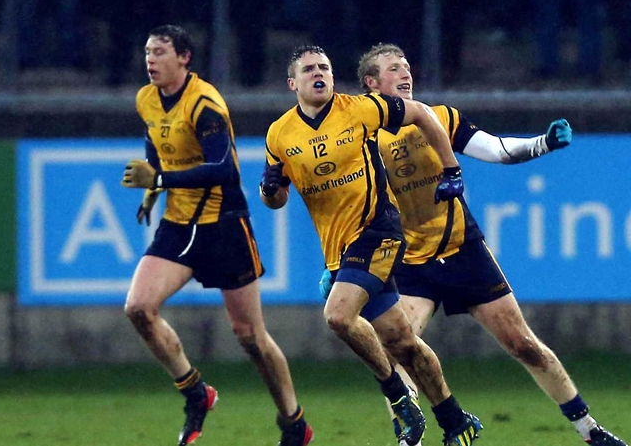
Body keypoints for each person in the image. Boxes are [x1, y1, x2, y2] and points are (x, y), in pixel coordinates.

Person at [319, 42, 627, 446]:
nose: (405, 72)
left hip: (463, 250)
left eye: (406, 65)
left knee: (523, 344)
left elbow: (496, 149)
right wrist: (337, 262)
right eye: (393, 68)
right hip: (407, 262)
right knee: (400, 350)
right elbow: (342, 205)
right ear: (371, 83)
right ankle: (410, 438)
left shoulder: (439, 117)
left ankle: (590, 431)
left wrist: (543, 143)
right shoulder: (359, 138)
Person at [261, 44, 481, 446]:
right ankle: (454, 419)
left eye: (324, 66)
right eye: (309, 69)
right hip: (338, 249)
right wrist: (270, 190)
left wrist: (452, 168)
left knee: (338, 316)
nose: (318, 73)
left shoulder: (362, 109)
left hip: (378, 230)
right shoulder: (279, 134)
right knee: (402, 341)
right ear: (293, 83)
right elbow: (275, 199)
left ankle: (398, 396)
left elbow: (422, 113)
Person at [120, 25, 313, 446]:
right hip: (179, 223)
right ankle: (196, 393)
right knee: (138, 308)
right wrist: (152, 192)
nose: (150, 59)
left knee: (249, 336)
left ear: (184, 58)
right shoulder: (146, 98)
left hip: (224, 224)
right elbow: (156, 145)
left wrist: (160, 179)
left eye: (160, 52)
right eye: (147, 52)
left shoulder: (205, 104)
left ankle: (294, 423)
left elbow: (222, 169)